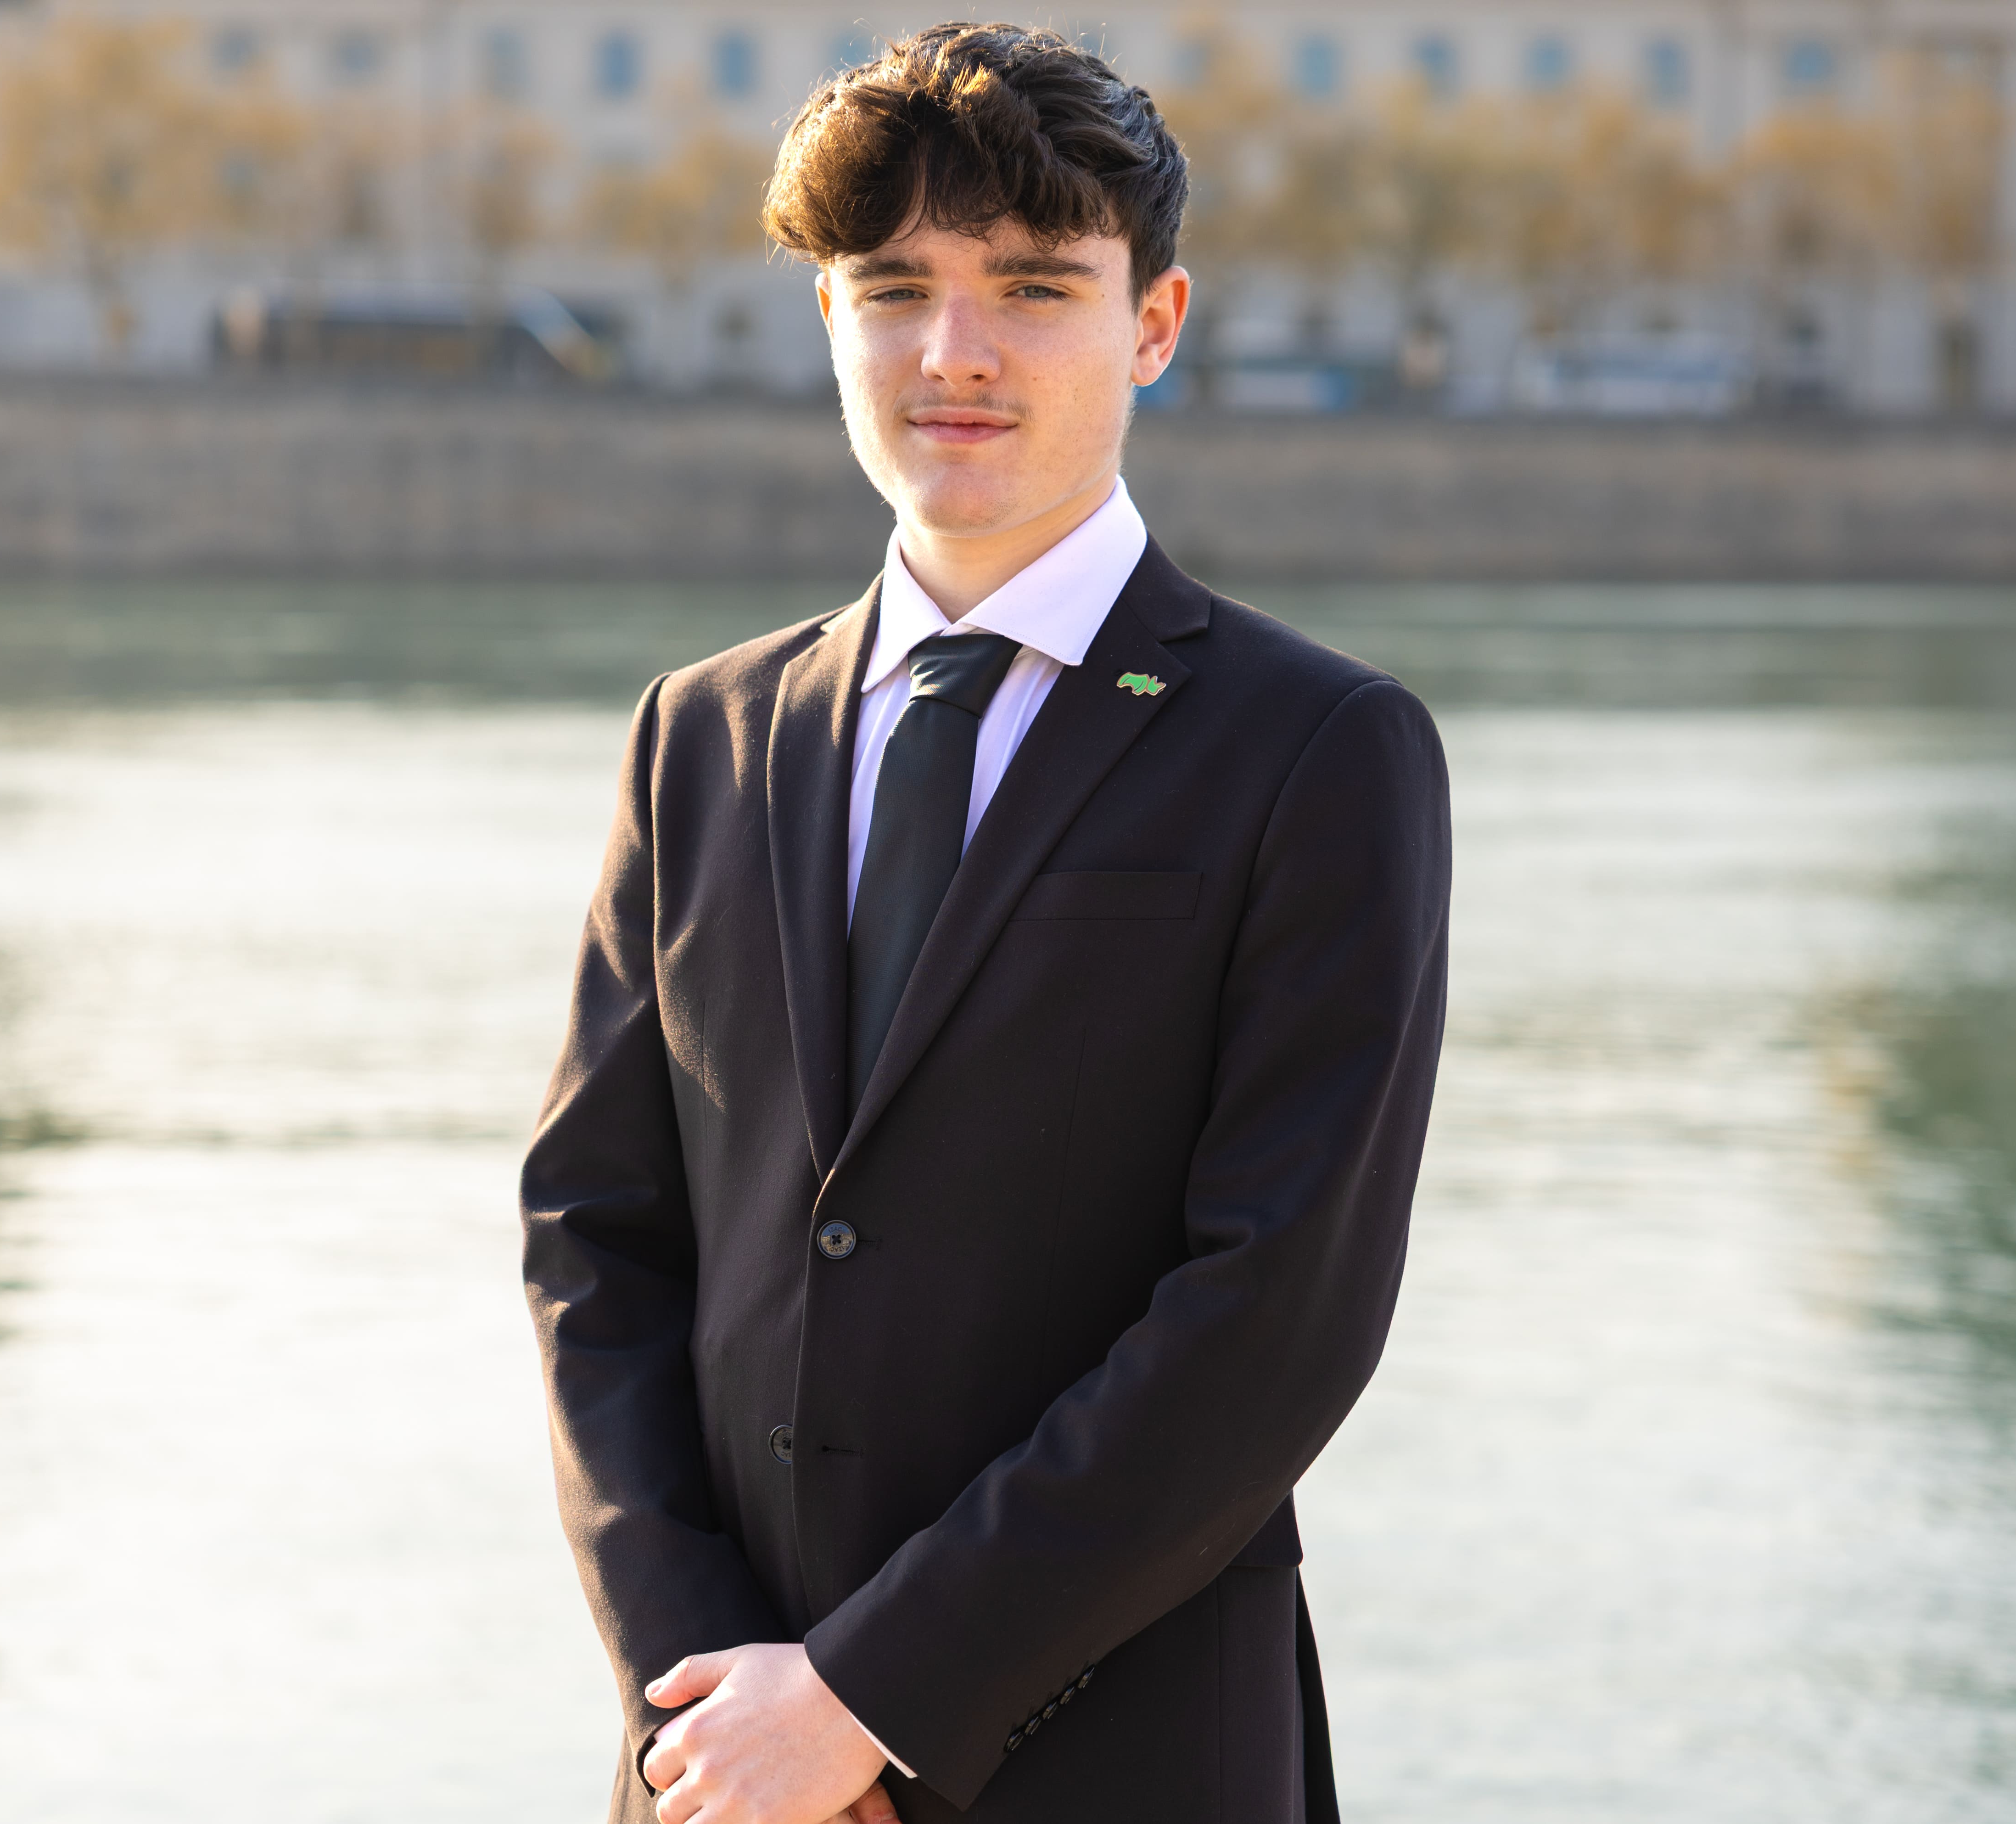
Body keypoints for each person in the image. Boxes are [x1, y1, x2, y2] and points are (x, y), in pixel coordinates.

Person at [520, 23, 1450, 1824]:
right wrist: (700, 1690)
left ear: (1153, 326)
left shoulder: (1319, 750)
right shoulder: (696, 734)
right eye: (895, 290)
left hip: (1125, 1755)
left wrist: (873, 1697)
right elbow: (594, 1243)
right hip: (719, 1773)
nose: (955, 352)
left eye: (1033, 287)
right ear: (830, 325)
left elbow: (1275, 1315)